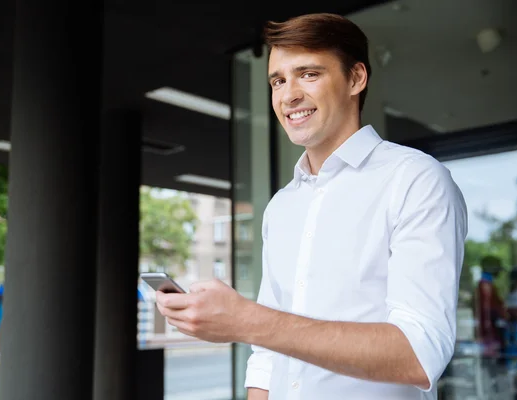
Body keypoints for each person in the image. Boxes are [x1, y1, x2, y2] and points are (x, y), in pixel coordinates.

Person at [155, 12, 467, 400]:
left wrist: (248, 320)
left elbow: (418, 355)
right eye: (278, 80)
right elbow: (266, 356)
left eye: (309, 74)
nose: (288, 96)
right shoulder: (281, 206)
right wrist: (255, 329)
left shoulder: (415, 180)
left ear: (356, 78)